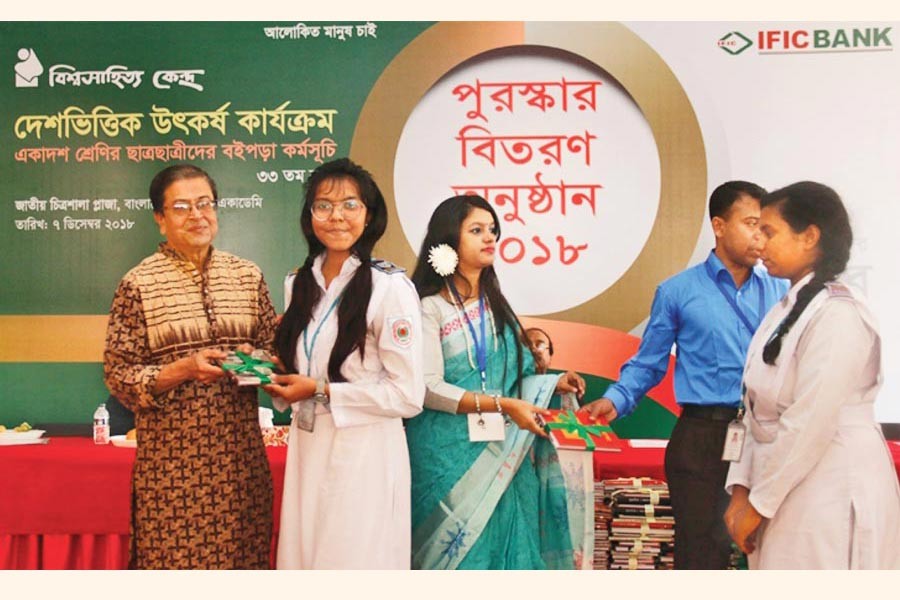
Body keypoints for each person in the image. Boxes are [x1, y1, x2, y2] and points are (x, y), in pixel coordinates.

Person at [581, 181, 788, 569]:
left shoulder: (783, 290)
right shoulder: (678, 291)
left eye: (765, 228)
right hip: (703, 438)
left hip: (768, 434)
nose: (759, 237)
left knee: (773, 549)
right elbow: (649, 362)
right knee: (701, 553)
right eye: (750, 224)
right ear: (719, 226)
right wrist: (615, 399)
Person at [104, 164, 276, 569]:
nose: (197, 215)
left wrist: (255, 362)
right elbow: (119, 376)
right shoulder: (138, 284)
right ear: (160, 218)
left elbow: (273, 355)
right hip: (172, 477)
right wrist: (183, 369)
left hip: (242, 471)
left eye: (205, 204)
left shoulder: (247, 276)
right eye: (181, 207)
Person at [724, 181, 900, 569]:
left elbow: (809, 421)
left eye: (769, 231)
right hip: (782, 485)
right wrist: (740, 490)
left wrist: (759, 504)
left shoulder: (840, 314)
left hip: (831, 485)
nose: (758, 242)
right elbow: (752, 411)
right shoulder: (785, 308)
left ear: (809, 237)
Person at [406, 194, 587, 569]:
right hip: (445, 458)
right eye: (476, 230)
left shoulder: (495, 306)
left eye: (492, 230)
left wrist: (553, 384)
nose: (490, 237)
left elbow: (513, 375)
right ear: (448, 239)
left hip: (502, 450)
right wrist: (503, 406)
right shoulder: (427, 308)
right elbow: (427, 388)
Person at [262, 158, 424, 569]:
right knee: (304, 558)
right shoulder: (297, 282)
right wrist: (276, 375)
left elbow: (408, 395)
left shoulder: (390, 287)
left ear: (369, 215)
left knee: (353, 561)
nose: (336, 216)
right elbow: (305, 365)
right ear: (309, 216)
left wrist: (321, 391)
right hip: (308, 446)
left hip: (364, 453)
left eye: (350, 205)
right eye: (324, 205)